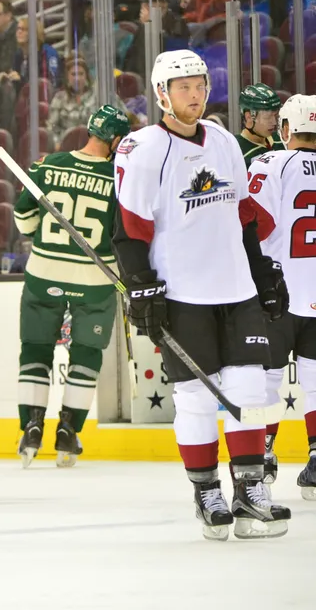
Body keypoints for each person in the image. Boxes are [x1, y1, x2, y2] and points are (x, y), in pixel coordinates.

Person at [111, 50, 290, 541]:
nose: (195, 94)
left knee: (251, 390)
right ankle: (207, 491)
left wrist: (262, 271)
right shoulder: (143, 148)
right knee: (195, 397)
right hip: (182, 293)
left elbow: (244, 215)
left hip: (236, 289)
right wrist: (140, 285)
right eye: (183, 87)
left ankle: (251, 491)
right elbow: (129, 228)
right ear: (161, 94)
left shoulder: (225, 140)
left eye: (200, 85)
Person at [12, 104, 130, 468]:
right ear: (115, 139)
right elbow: (124, 233)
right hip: (95, 280)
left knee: (35, 350)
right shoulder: (119, 178)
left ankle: (31, 428)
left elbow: (22, 218)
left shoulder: (48, 165)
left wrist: (43, 238)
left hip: (44, 274)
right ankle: (68, 431)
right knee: (86, 354)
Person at [242, 94, 316, 497]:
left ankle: (262, 455)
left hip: (277, 291)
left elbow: (256, 224)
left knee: (265, 379)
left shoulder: (270, 162)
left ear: (286, 128)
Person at [234, 83, 283, 165]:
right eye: (267, 117)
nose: (274, 122)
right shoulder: (235, 150)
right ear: (249, 117)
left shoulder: (282, 140)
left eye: (276, 115)